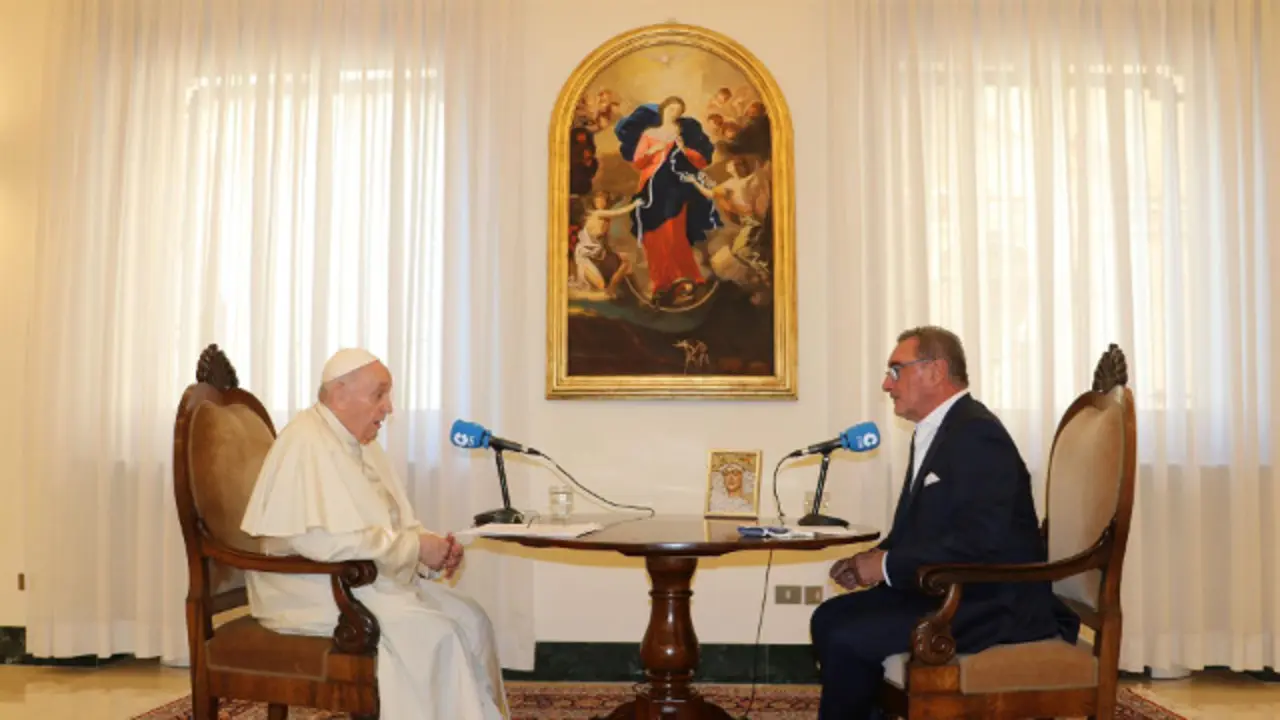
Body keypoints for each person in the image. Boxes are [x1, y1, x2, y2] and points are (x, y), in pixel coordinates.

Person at [809, 326, 1079, 719]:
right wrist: (873, 559)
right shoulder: (941, 430)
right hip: (954, 588)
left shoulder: (977, 435)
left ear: (935, 371)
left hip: (993, 602)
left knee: (849, 636)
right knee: (829, 617)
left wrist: (885, 566)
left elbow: (982, 542)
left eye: (896, 370)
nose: (887, 384)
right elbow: (932, 528)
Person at [240, 349, 508, 720]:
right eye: (379, 394)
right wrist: (415, 548)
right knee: (435, 634)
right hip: (308, 587)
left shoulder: (362, 443)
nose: (388, 408)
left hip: (356, 579)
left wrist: (432, 548)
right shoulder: (306, 441)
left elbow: (388, 523)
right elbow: (321, 541)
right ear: (339, 394)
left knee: (472, 619)